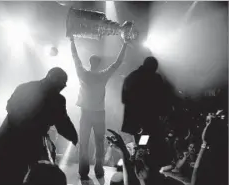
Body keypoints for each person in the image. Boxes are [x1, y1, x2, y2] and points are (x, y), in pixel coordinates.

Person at [0, 67, 78, 185]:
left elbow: (9, 106)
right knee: (25, 174)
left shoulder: (25, 87)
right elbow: (62, 123)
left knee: (1, 172)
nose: (62, 88)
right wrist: (74, 137)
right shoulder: (57, 99)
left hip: (9, 133)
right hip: (30, 139)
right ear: (52, 78)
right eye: (62, 84)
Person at [70, 35, 129, 181]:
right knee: (99, 142)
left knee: (84, 142)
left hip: (85, 112)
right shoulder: (103, 75)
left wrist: (72, 41)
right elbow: (117, 62)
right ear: (99, 64)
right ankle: (99, 169)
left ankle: (83, 171)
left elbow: (75, 57)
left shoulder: (82, 73)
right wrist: (125, 44)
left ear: (90, 63)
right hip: (99, 113)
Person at [121, 57, 168, 185]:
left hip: (136, 121)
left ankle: (140, 172)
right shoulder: (154, 78)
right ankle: (142, 173)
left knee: (141, 143)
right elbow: (162, 98)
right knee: (146, 145)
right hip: (148, 121)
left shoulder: (131, 77)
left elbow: (124, 99)